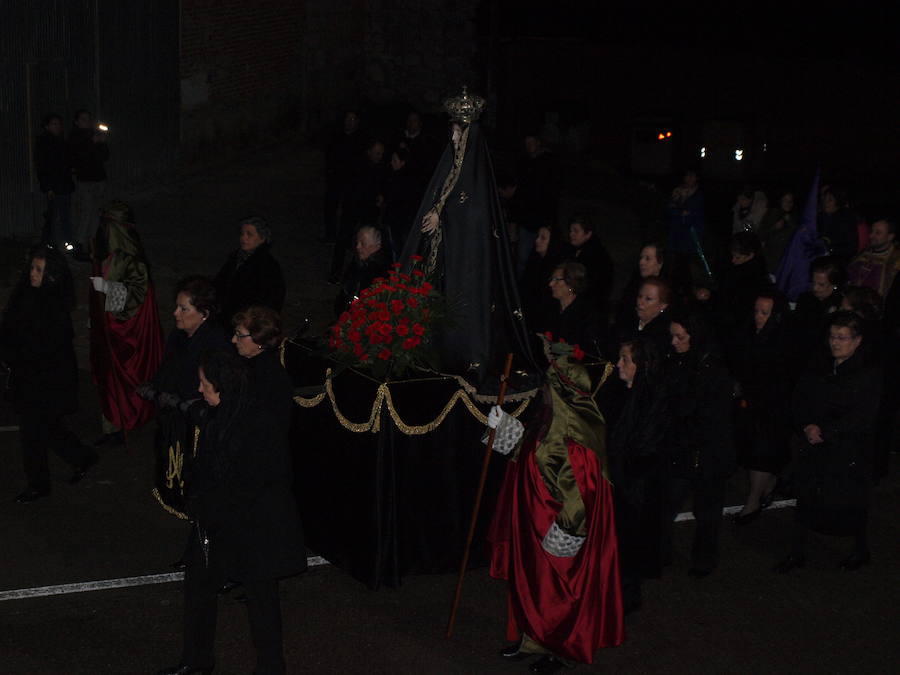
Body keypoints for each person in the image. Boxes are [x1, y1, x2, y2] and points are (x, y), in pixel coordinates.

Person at [158, 349, 305, 675]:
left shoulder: (257, 425)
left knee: (261, 598)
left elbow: (255, 481)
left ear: (222, 387)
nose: (200, 389)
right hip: (217, 521)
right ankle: (196, 660)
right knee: (198, 585)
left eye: (204, 384)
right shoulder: (224, 414)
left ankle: (270, 668)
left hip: (254, 526)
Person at [487, 337, 624, 673]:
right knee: (533, 587)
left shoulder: (577, 440)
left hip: (556, 533)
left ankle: (562, 648)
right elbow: (535, 456)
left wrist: (564, 537)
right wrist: (505, 429)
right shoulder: (549, 420)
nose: (541, 391)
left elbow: (580, 497)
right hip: (533, 525)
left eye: (548, 385)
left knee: (560, 593)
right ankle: (535, 637)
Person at [400, 88, 533, 383]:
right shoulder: (451, 167)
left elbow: (469, 217)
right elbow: (442, 196)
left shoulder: (477, 179)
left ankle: (466, 352)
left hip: (468, 263)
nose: (454, 137)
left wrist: (442, 218)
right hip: (446, 259)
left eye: (458, 132)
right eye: (453, 130)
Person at [776, 311, 882, 573]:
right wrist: (807, 425)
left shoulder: (867, 373)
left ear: (857, 341)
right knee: (806, 497)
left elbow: (863, 414)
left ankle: (859, 549)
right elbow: (801, 397)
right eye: (833, 337)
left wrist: (826, 431)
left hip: (847, 449)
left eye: (842, 338)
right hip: (817, 444)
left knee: (850, 502)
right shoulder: (820, 364)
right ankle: (797, 552)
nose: (835, 343)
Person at [1, 245, 97, 503]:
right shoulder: (25, 295)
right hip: (28, 375)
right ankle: (82, 457)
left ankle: (38, 484)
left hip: (46, 379)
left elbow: (46, 346)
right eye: (32, 268)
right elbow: (11, 327)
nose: (33, 274)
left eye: (40, 270)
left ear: (51, 275)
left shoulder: (53, 305)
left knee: (33, 431)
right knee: (47, 428)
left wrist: (18, 352)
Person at [143, 277, 231, 519]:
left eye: (184, 309)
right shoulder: (179, 336)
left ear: (204, 313)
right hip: (174, 418)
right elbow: (168, 370)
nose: (175, 313)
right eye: (177, 306)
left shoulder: (215, 343)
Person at [662, 310, 734, 578]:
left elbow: (706, 416)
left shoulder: (712, 370)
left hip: (706, 451)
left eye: (680, 337)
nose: (674, 342)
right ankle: (663, 551)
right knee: (668, 502)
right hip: (684, 447)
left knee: (707, 510)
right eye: (673, 336)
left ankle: (704, 558)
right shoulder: (679, 362)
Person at [89, 200, 164, 444]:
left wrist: (106, 290)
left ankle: (123, 422)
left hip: (126, 336)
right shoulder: (109, 257)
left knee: (123, 377)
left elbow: (132, 303)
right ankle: (113, 421)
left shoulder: (132, 262)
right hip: (110, 330)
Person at [609, 337, 668, 613]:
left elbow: (647, 445)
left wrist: (622, 471)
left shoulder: (651, 398)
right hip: (623, 481)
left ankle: (627, 597)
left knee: (630, 543)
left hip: (635, 486)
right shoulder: (625, 393)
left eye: (626, 360)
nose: (619, 364)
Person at [730, 291, 793, 523]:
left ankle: (753, 501)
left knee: (760, 454)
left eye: (764, 313)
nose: (758, 317)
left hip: (769, 408)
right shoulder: (749, 333)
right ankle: (768, 485)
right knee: (752, 452)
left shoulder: (781, 340)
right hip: (750, 405)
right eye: (757, 311)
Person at [329, 139, 387, 282]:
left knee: (364, 244)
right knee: (344, 240)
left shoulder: (379, 167)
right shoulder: (358, 165)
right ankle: (336, 273)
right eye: (377, 153)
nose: (379, 156)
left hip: (368, 212)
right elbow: (355, 188)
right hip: (353, 209)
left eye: (381, 154)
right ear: (369, 151)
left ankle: (359, 272)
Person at [213, 216, 286, 325]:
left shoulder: (268, 266)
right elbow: (220, 283)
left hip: (247, 321)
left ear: (262, 238)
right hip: (227, 317)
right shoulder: (235, 259)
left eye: (249, 234)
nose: (243, 238)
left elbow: (269, 300)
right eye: (242, 234)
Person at [231, 306, 293, 418]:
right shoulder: (243, 363)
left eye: (239, 334)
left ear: (259, 338)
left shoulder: (269, 375)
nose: (234, 340)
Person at [791, 256, 845, 374]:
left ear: (833, 284)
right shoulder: (805, 299)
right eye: (813, 282)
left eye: (821, 284)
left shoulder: (841, 304)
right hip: (800, 358)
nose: (815, 288)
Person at [69, 109, 109, 259]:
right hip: (85, 180)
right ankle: (79, 246)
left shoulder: (94, 134)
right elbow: (78, 156)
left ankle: (92, 245)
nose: (87, 122)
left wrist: (102, 143)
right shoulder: (75, 137)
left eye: (88, 119)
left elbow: (104, 156)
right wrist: (92, 143)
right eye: (83, 119)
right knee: (86, 212)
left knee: (96, 213)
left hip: (99, 179)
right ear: (77, 121)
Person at [323, 110, 366, 244]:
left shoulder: (360, 140)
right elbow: (330, 155)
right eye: (348, 119)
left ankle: (344, 238)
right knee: (330, 207)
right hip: (335, 178)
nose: (349, 122)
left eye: (353, 119)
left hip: (351, 181)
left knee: (349, 211)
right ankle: (330, 235)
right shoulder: (337, 136)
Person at [34, 113, 75, 249]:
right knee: (53, 216)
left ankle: (67, 243)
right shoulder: (44, 143)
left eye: (59, 124)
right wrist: (48, 187)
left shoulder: (62, 142)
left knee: (65, 215)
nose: (57, 127)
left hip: (64, 184)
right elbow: (42, 167)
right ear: (47, 126)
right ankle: (50, 244)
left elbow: (67, 162)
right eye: (54, 124)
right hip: (54, 185)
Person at [542, 261, 603, 352]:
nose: (550, 284)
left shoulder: (586, 314)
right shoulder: (550, 308)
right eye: (551, 279)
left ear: (571, 283)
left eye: (556, 280)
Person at [334, 225, 392, 316]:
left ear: (377, 247)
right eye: (357, 242)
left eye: (363, 243)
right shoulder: (359, 263)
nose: (358, 247)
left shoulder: (379, 273)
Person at [664, 169, 704, 295]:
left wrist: (685, 215)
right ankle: (679, 290)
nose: (689, 179)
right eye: (688, 176)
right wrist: (681, 213)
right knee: (678, 262)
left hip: (689, 235)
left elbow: (696, 215)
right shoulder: (677, 192)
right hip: (677, 233)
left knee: (684, 262)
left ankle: (682, 290)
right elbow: (670, 210)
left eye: (692, 176)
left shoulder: (698, 195)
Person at [563, 215, 614, 311]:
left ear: (588, 234)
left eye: (576, 231)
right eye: (570, 231)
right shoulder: (574, 250)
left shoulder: (595, 256)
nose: (571, 234)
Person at [614, 241, 666, 334]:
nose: (641, 262)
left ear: (659, 264)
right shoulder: (634, 283)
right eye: (641, 258)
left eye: (647, 259)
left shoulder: (665, 288)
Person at [520, 225, 563, 334]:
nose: (537, 241)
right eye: (537, 237)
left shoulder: (556, 267)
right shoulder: (533, 261)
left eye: (543, 238)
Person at [617, 276, 672, 359]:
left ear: (662, 305)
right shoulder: (626, 323)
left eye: (648, 299)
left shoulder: (664, 334)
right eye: (640, 296)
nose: (640, 302)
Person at [846, 218, 900, 301]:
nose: (871, 236)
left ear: (890, 237)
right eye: (871, 231)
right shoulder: (864, 253)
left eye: (877, 233)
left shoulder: (896, 260)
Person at [758, 191, 798, 275]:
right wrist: (774, 228)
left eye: (790, 201)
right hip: (771, 259)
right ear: (780, 201)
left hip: (788, 260)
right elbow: (761, 235)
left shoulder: (795, 217)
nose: (788, 203)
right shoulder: (772, 214)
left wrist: (790, 222)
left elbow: (797, 236)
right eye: (785, 200)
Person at [817, 187, 859, 261]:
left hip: (837, 262)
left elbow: (851, 248)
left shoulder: (846, 219)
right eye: (824, 199)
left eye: (830, 200)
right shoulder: (819, 217)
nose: (825, 203)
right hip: (820, 261)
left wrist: (830, 250)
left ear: (837, 202)